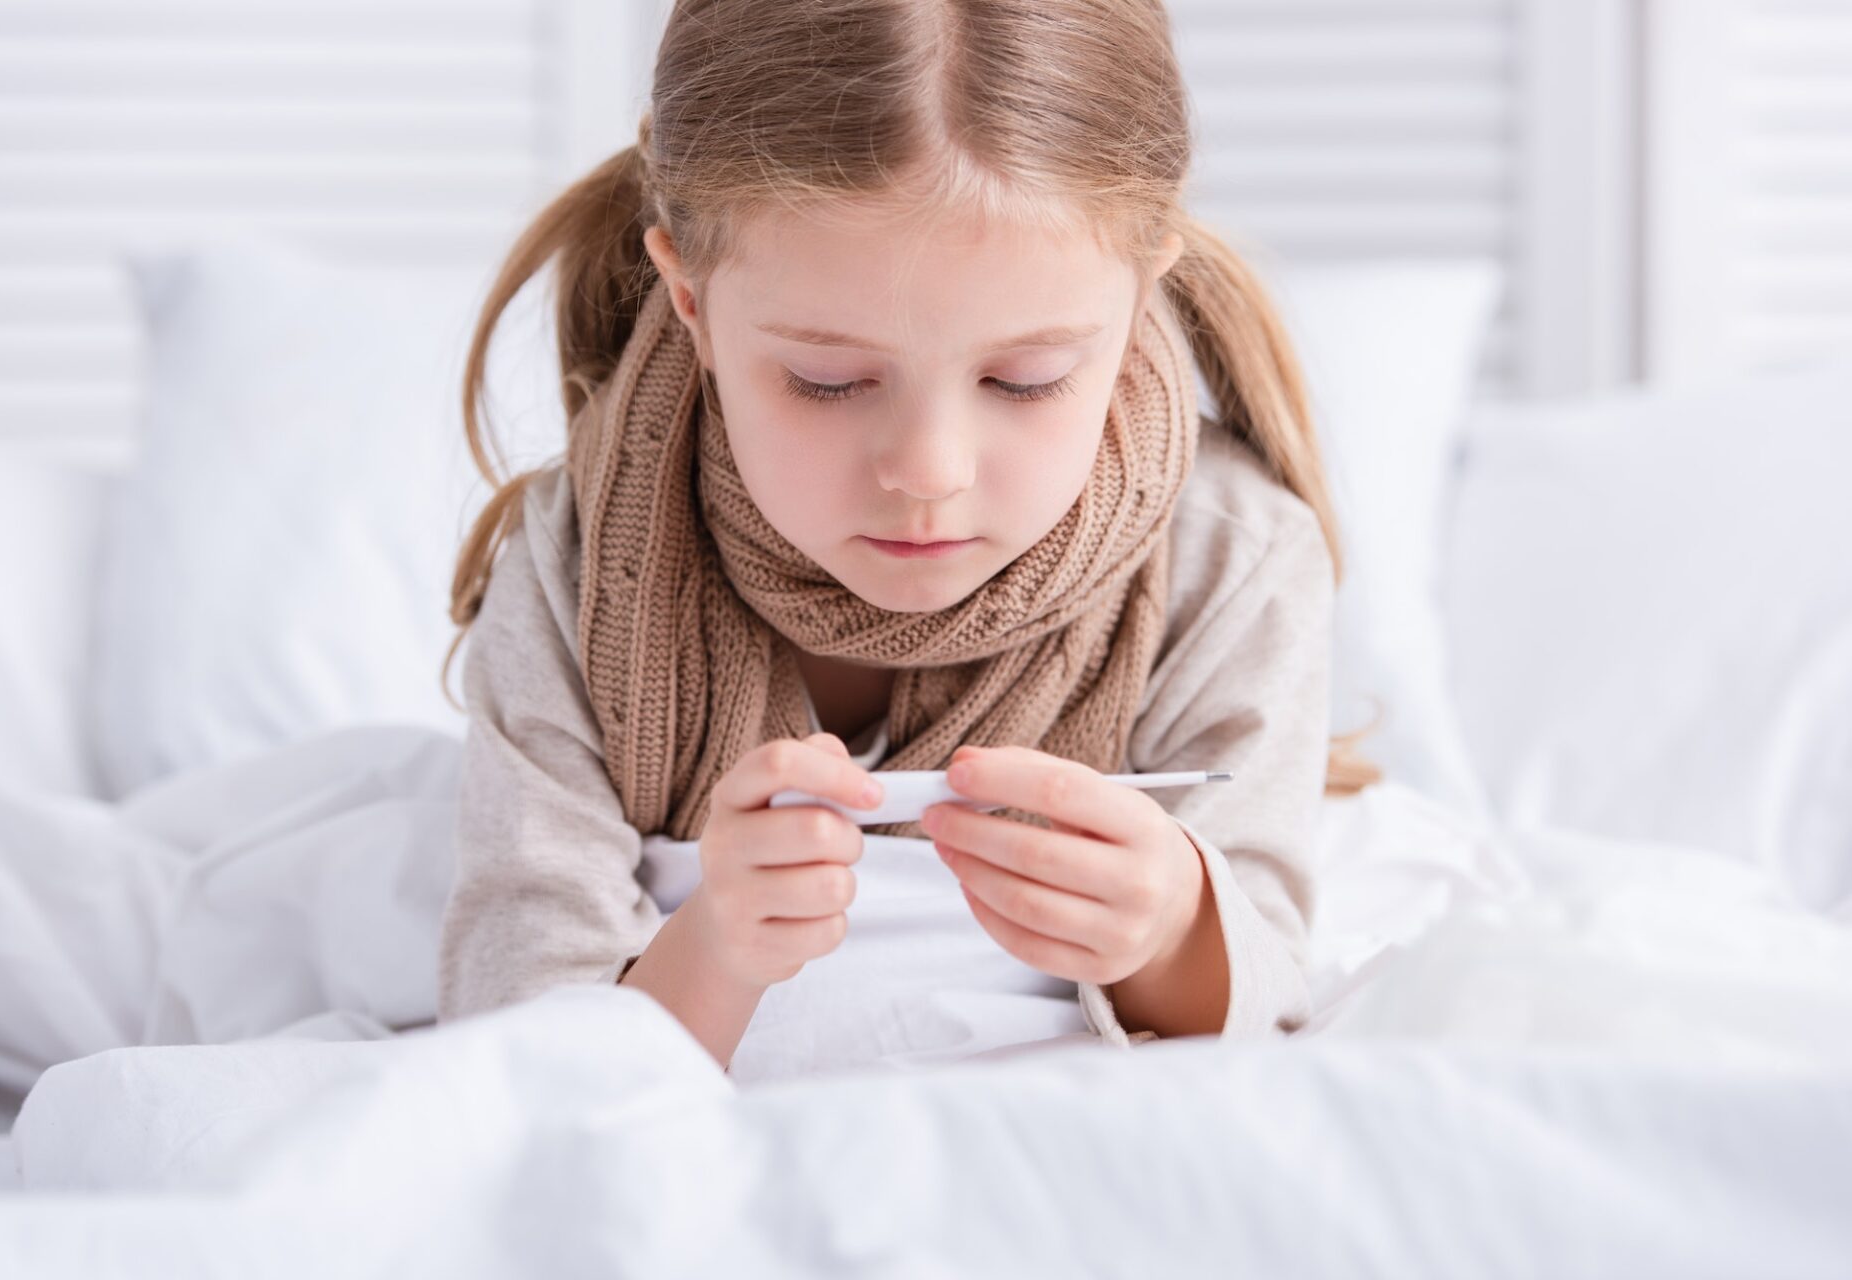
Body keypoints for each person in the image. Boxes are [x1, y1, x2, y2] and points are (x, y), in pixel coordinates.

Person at [434, 0, 1379, 1077]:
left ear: (1137, 291)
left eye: (1025, 379)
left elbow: (1266, 1001)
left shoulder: (1231, 558)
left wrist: (1168, 929)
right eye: (827, 380)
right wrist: (715, 944)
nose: (930, 470)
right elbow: (514, 1043)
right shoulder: (573, 570)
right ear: (690, 300)